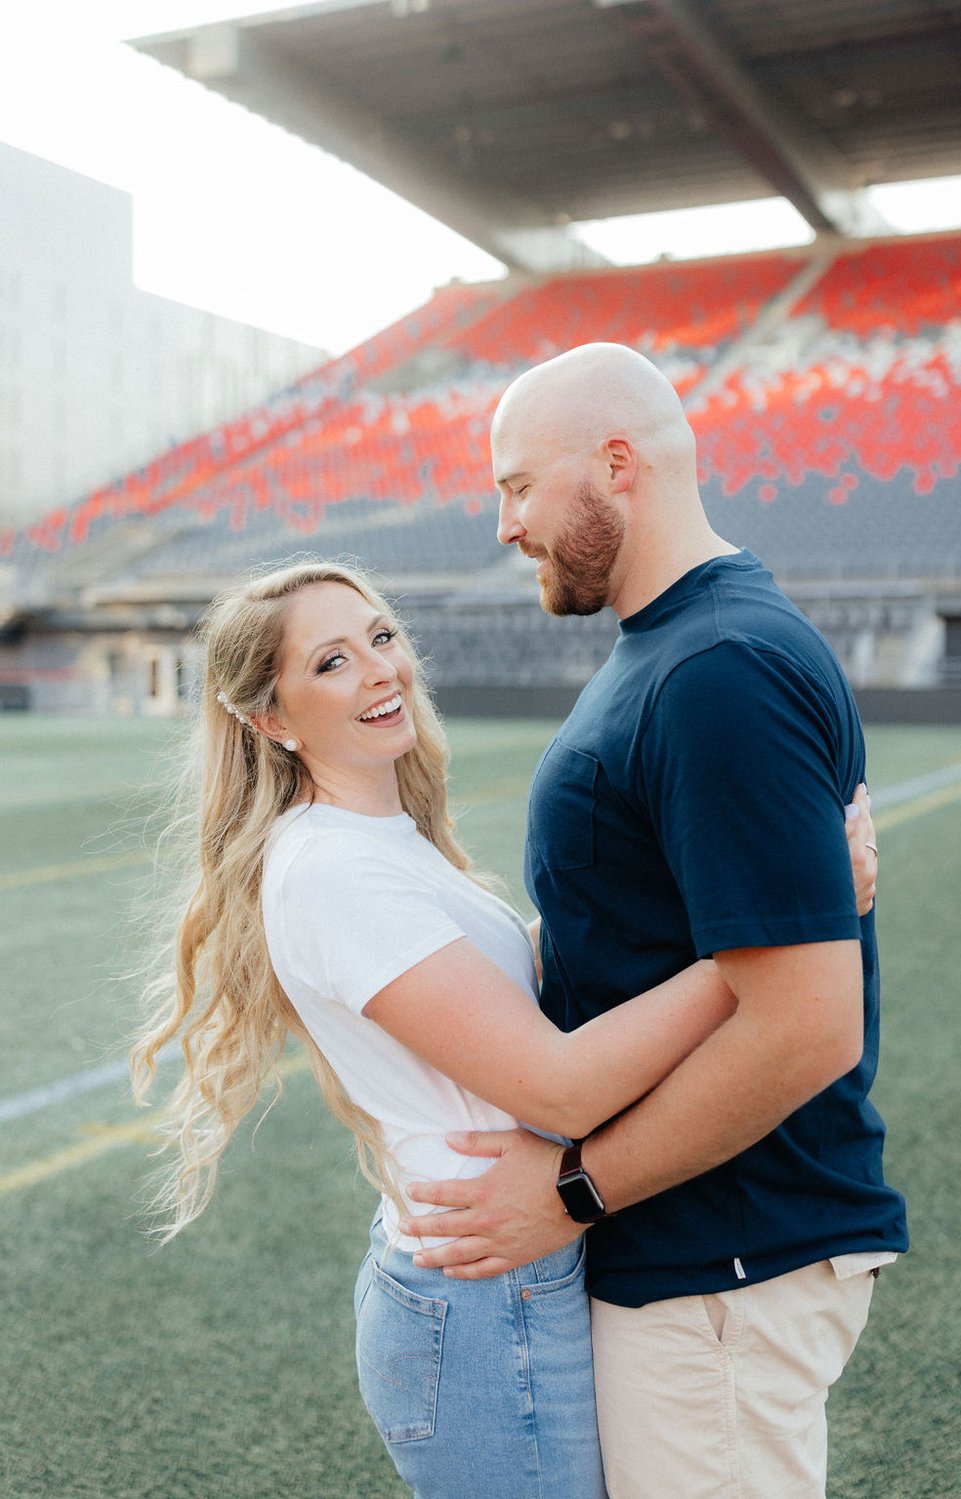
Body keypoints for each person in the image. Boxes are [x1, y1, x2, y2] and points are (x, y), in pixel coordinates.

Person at [131, 558, 878, 1499]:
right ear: (270, 720)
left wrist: (750, 904)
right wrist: (775, 935)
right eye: (331, 661)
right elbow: (559, 1085)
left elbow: (516, 977)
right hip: (481, 1295)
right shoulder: (328, 869)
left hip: (510, 1270)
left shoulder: (381, 842)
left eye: (382, 637)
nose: (378, 670)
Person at [395, 343, 909, 1499]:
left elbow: (805, 1026)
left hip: (722, 1255)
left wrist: (569, 1192)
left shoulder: (716, 667)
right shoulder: (672, 644)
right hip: (690, 1249)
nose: (501, 524)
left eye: (517, 485)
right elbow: (637, 929)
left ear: (614, 464)